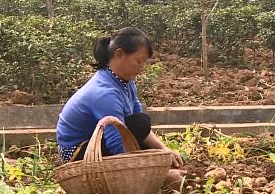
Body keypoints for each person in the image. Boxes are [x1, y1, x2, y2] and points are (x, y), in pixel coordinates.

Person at [56, 27, 184, 185]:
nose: (142, 67)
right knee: (139, 125)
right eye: (139, 61)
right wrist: (152, 174)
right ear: (119, 53)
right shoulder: (105, 93)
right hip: (79, 153)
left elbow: (138, 127)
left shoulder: (126, 83)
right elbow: (116, 144)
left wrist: (164, 150)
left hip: (102, 141)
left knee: (140, 122)